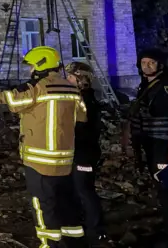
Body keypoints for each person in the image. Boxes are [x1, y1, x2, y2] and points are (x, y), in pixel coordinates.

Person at [0, 46, 87, 247]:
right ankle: (75, 242)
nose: (29, 71)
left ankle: (48, 244)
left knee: (43, 206)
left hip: (40, 160)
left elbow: (6, 101)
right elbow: (82, 117)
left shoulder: (37, 89)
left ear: (41, 66)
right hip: (66, 159)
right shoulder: (72, 89)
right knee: (66, 202)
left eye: (31, 66)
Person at [123, 48, 168, 247]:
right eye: (144, 63)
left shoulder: (166, 87)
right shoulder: (147, 86)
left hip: (163, 146)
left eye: (151, 62)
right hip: (152, 146)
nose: (147, 66)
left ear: (160, 64)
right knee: (162, 190)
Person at [65, 62, 109, 247]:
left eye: (71, 76)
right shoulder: (78, 97)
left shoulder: (85, 100)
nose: (67, 79)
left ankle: (97, 231)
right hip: (79, 151)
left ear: (81, 78)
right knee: (77, 190)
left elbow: (83, 129)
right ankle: (84, 225)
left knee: (84, 190)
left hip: (84, 152)